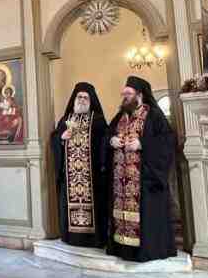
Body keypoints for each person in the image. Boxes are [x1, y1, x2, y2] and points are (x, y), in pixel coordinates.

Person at [107, 77, 177, 262]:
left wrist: (142, 144)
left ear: (139, 95)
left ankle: (145, 252)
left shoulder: (153, 114)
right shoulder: (121, 116)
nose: (124, 97)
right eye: (124, 94)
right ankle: (123, 249)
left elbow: (167, 141)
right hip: (121, 182)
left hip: (145, 179)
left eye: (128, 94)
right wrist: (112, 140)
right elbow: (108, 134)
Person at [50, 84, 110, 248]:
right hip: (70, 178)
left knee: (96, 206)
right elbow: (55, 139)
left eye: (85, 97)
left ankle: (94, 239)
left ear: (91, 101)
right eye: (79, 97)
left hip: (92, 176)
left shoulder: (98, 121)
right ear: (74, 99)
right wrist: (61, 138)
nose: (82, 100)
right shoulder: (66, 119)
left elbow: (105, 142)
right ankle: (72, 237)